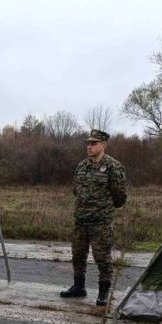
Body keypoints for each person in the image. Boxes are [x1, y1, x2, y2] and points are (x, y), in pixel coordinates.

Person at [60, 129, 127, 306]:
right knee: (78, 255)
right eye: (88, 143)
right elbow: (76, 190)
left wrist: (102, 209)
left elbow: (120, 197)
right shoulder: (82, 166)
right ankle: (79, 287)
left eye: (93, 143)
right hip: (81, 220)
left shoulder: (113, 167)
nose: (89, 147)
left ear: (103, 145)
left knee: (102, 258)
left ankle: (103, 293)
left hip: (101, 223)